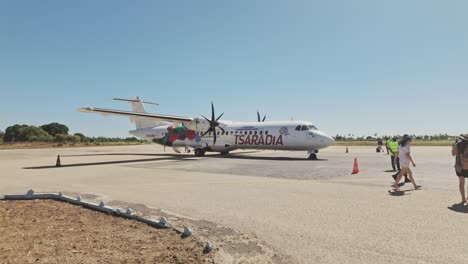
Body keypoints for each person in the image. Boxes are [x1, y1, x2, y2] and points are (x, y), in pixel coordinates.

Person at [451, 134, 468, 203]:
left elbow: (453, 154)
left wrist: (453, 146)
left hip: (460, 167)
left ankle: (463, 198)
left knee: (461, 182)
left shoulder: (457, 145)